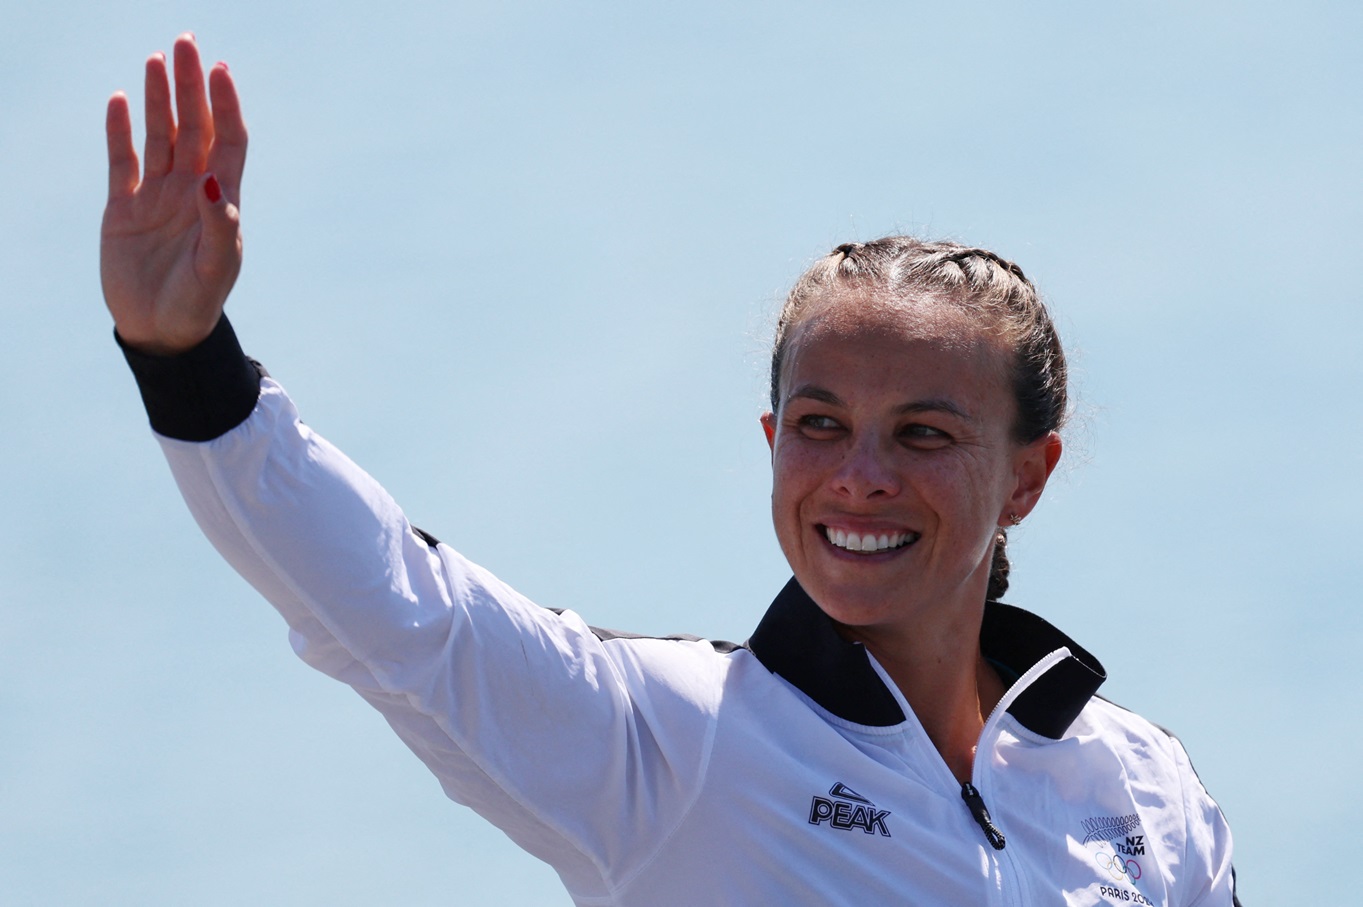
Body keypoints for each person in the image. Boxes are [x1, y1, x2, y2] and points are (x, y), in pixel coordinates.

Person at [102, 34, 1241, 906]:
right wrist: (185, 360)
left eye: (924, 435)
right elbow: (401, 612)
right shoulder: (671, 743)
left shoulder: (1138, 784)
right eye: (820, 423)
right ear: (771, 446)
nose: (859, 474)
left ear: (1028, 478)